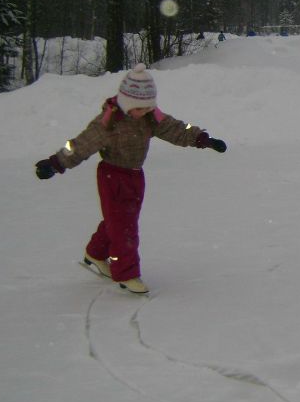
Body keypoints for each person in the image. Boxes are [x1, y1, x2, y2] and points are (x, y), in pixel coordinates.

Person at [34, 64, 227, 294]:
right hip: (112, 176)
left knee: (117, 221)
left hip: (135, 176)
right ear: (127, 103)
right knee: (124, 228)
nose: (144, 112)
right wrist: (55, 163)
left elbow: (176, 128)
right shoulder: (109, 122)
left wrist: (202, 138)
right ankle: (126, 273)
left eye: (148, 108)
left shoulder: (150, 117)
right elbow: (79, 144)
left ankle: (95, 254)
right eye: (140, 108)